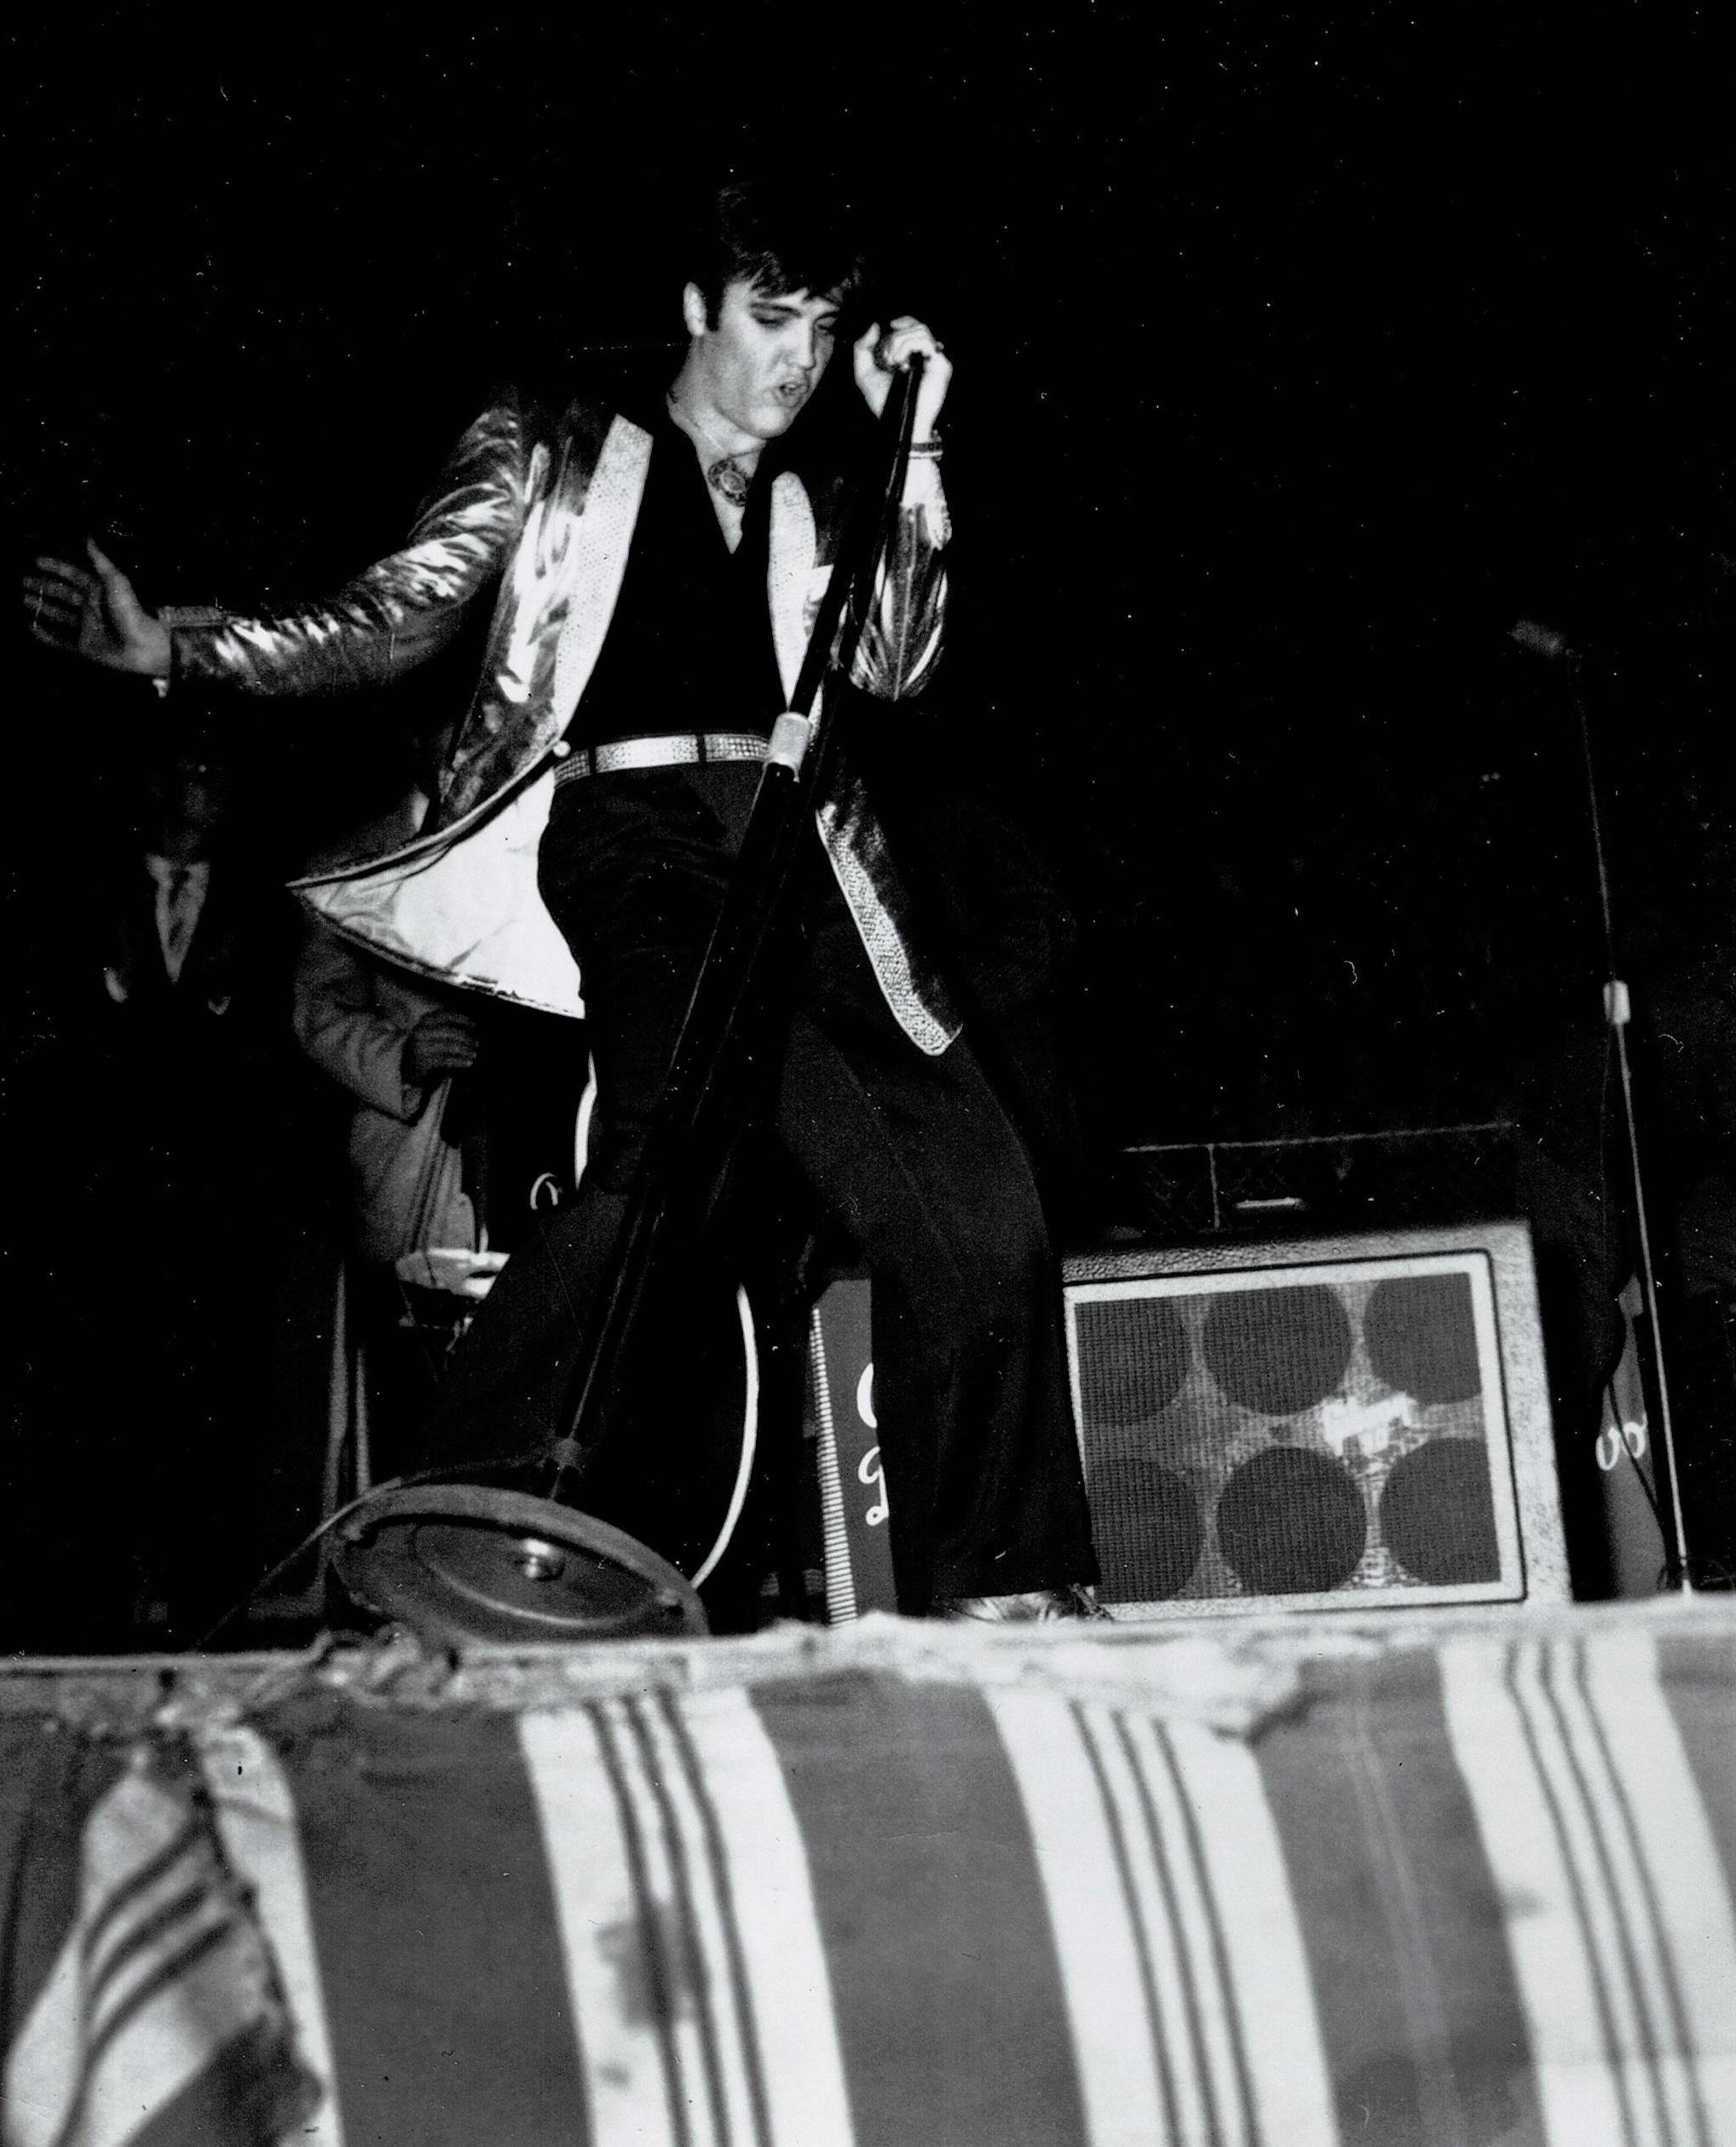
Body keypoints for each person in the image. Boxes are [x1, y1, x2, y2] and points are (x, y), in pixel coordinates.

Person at [26, 180, 1099, 1619]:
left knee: (972, 1186)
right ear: (695, 309)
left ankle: (1004, 1583)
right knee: (670, 1156)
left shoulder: (819, 490)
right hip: (632, 825)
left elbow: (896, 664)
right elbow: (398, 611)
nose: (794, 357)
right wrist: (184, 650)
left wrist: (918, 438)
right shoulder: (552, 439)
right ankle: (463, 1504)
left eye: (819, 327)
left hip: (802, 846)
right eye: (768, 318)